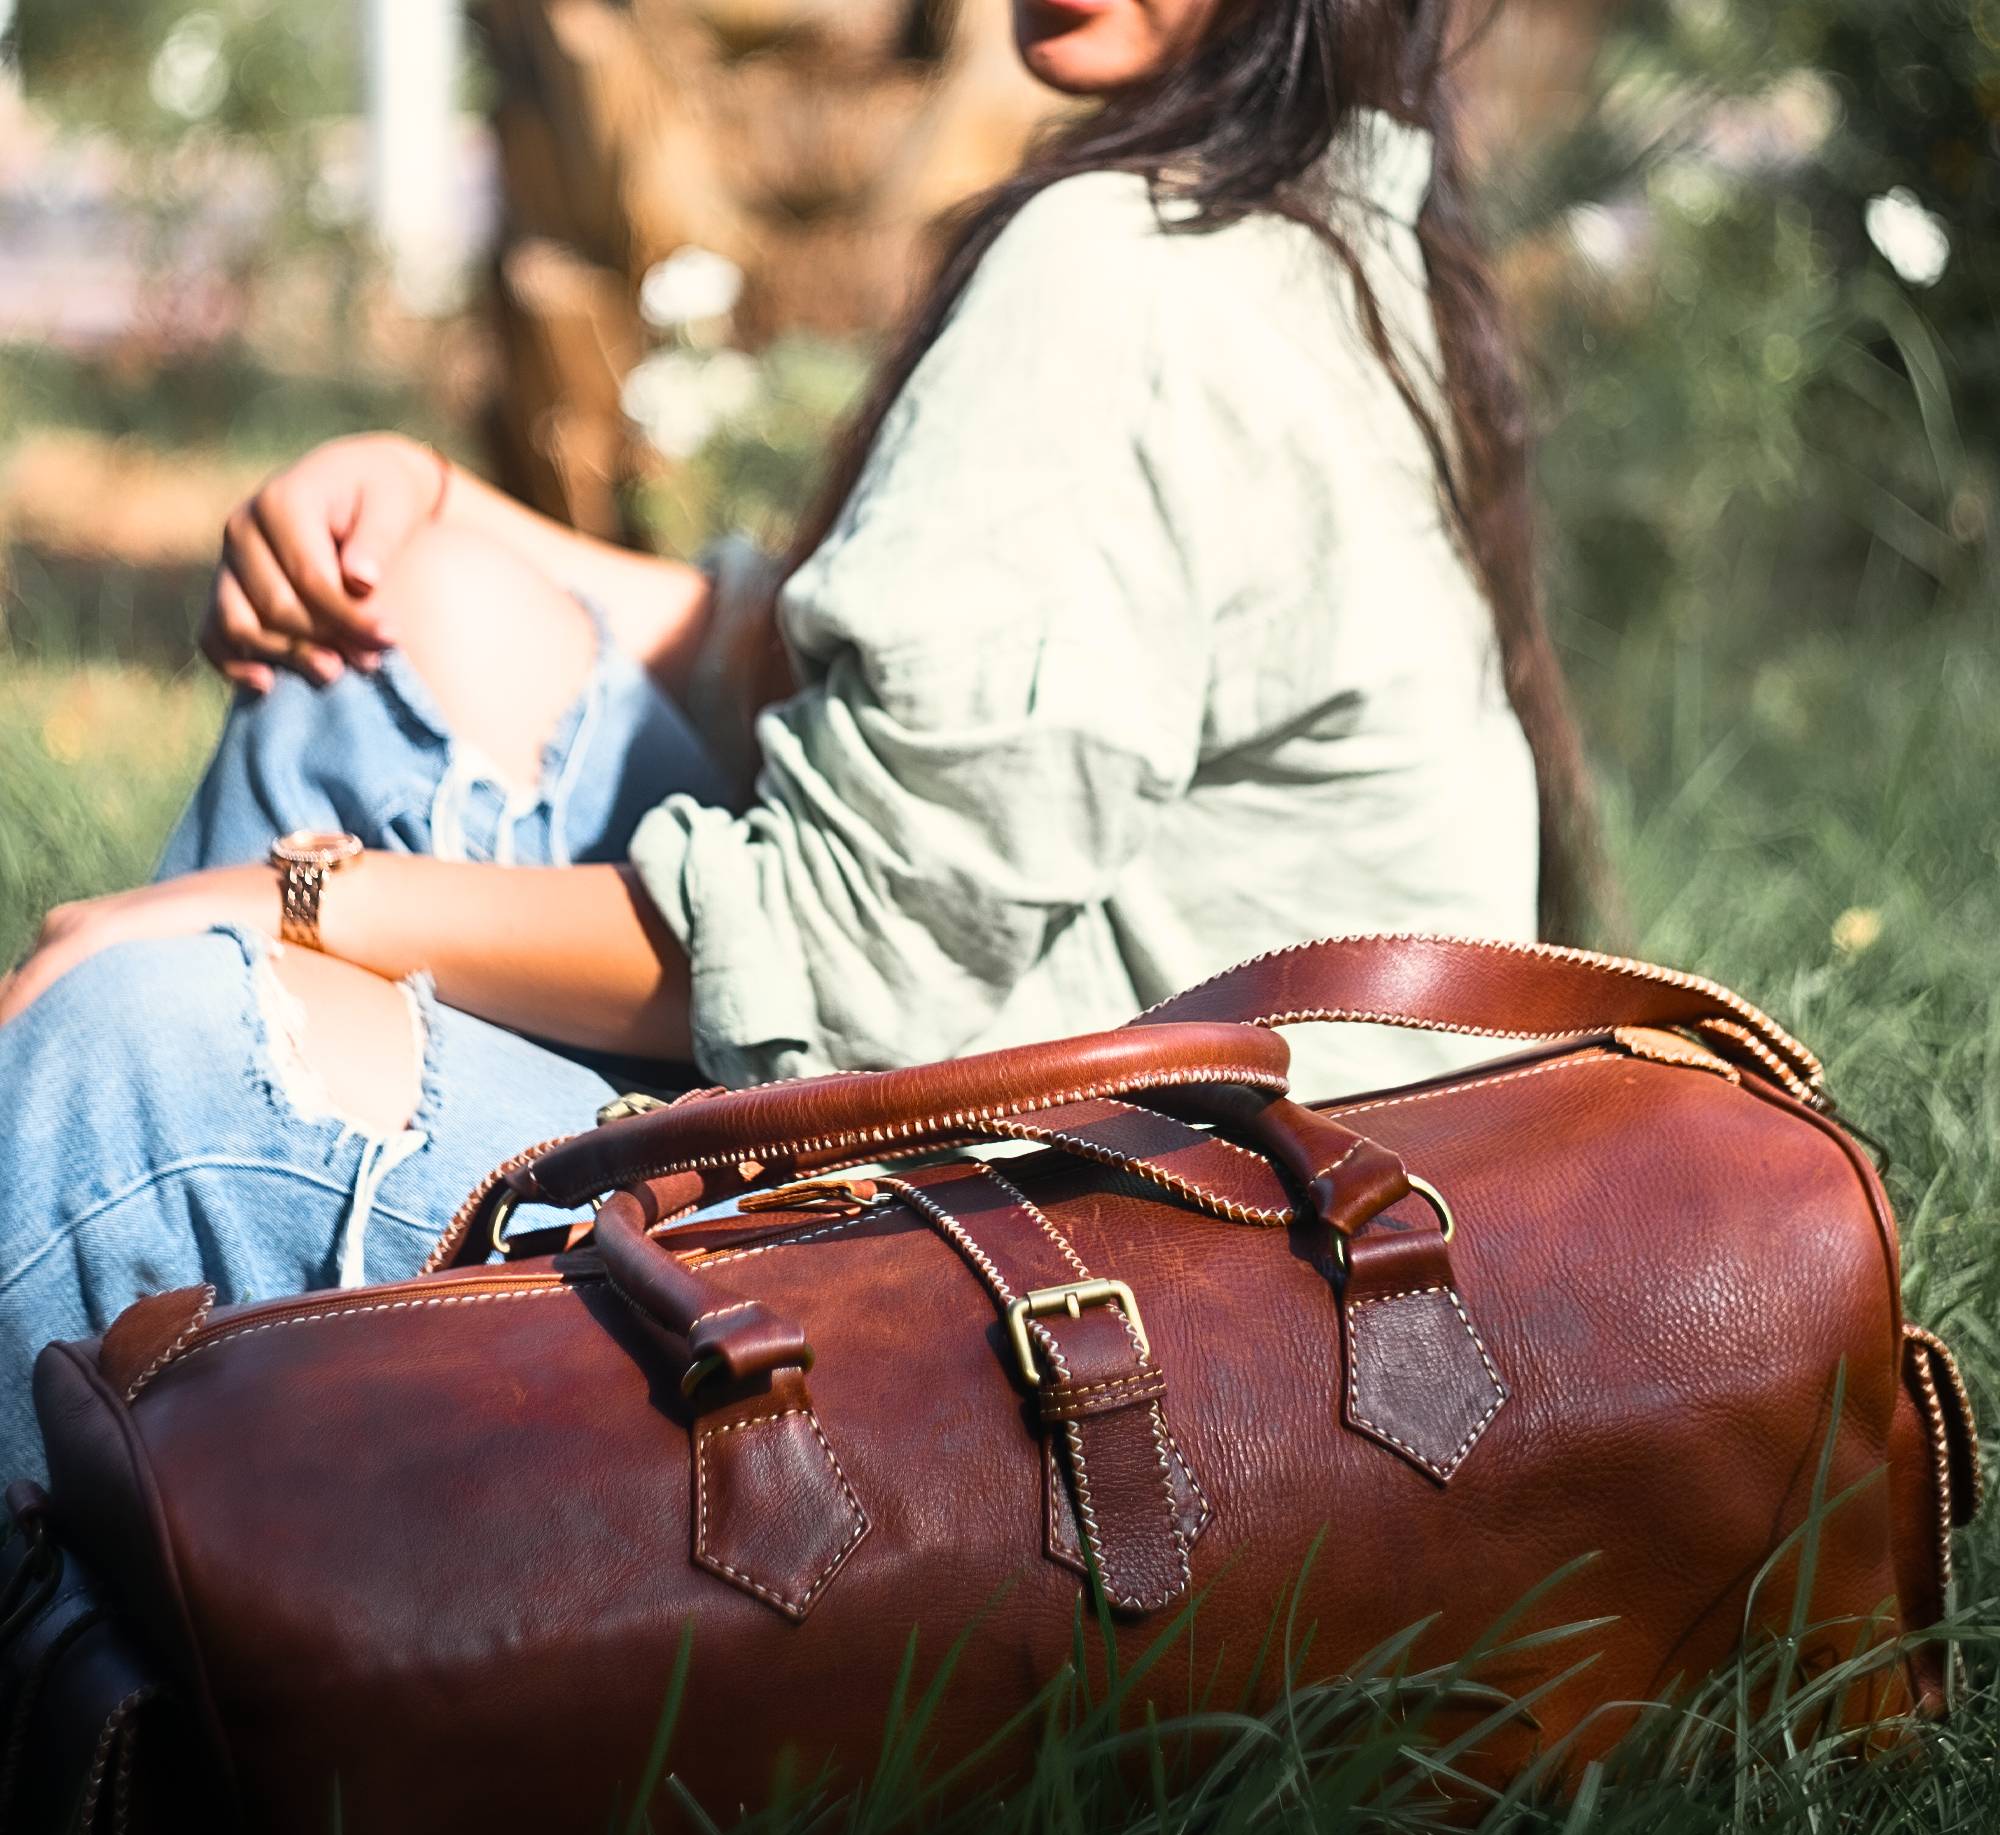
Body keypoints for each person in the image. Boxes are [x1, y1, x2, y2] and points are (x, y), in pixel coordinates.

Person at [0, 0, 1597, 1473]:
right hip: (1254, 1265)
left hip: (1048, 1315)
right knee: (413, 610)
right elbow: (886, 676)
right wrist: (441, 504)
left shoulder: (1124, 270)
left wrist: (285, 906)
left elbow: (847, 963)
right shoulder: (1339, 233)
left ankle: (159, 1513)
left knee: (123, 1056)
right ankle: (211, 1504)